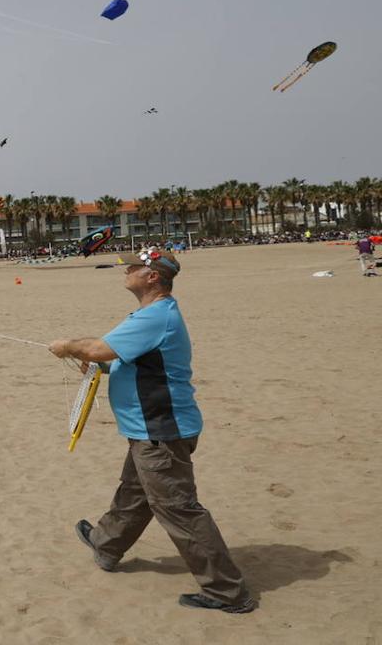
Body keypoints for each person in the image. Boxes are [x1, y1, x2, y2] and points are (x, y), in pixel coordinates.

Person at [48, 248, 256, 614]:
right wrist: (103, 369)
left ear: (153, 276)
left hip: (161, 429)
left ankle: (228, 592)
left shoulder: (157, 315)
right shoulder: (151, 314)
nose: (125, 270)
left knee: (178, 508)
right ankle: (106, 544)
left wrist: (66, 346)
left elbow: (99, 348)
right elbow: (134, 361)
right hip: (148, 428)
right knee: (134, 492)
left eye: (134, 266)